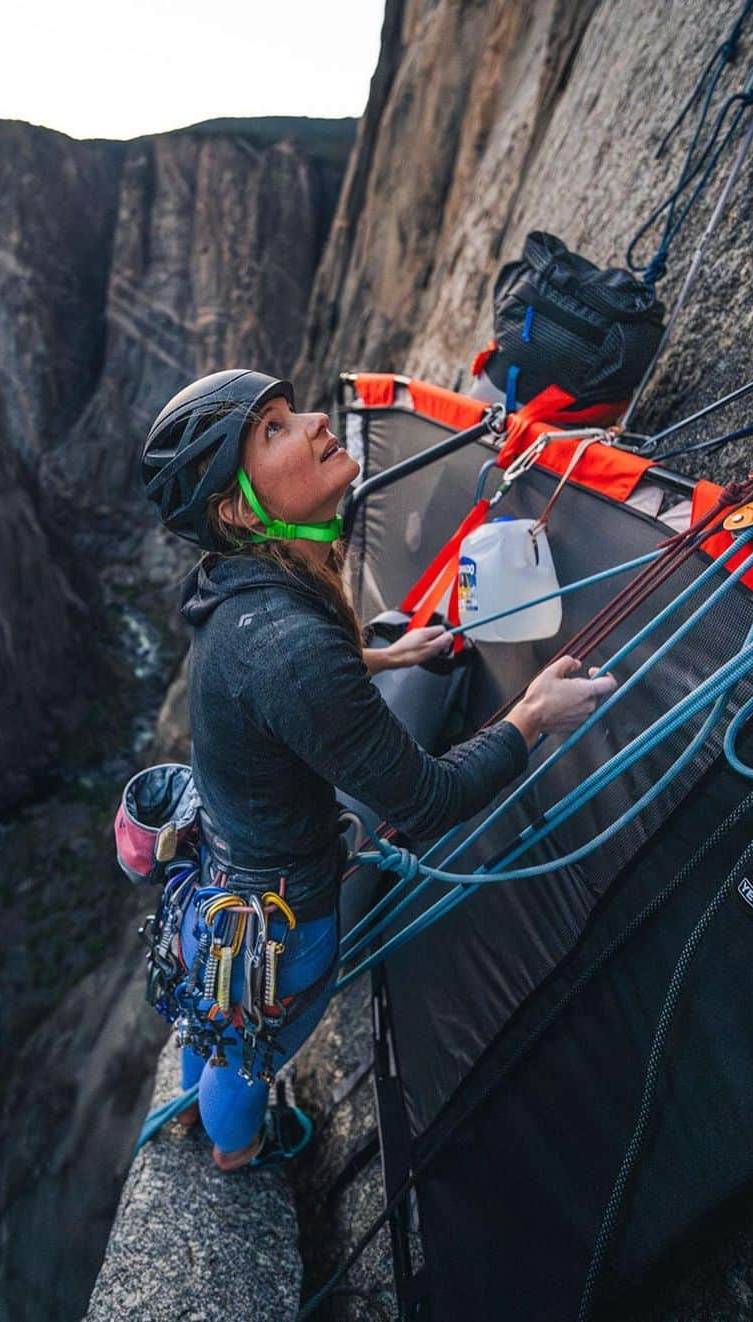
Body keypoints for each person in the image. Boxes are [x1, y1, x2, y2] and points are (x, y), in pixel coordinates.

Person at [141, 369, 616, 1171]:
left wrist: (384, 653)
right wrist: (533, 713)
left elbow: (274, 684)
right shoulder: (290, 649)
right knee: (248, 1055)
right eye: (274, 430)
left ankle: (203, 1114)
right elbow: (431, 797)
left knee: (217, 1023)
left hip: (221, 887)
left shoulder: (230, 591)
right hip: (282, 923)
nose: (317, 423)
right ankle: (236, 1149)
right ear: (234, 510)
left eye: (291, 414)